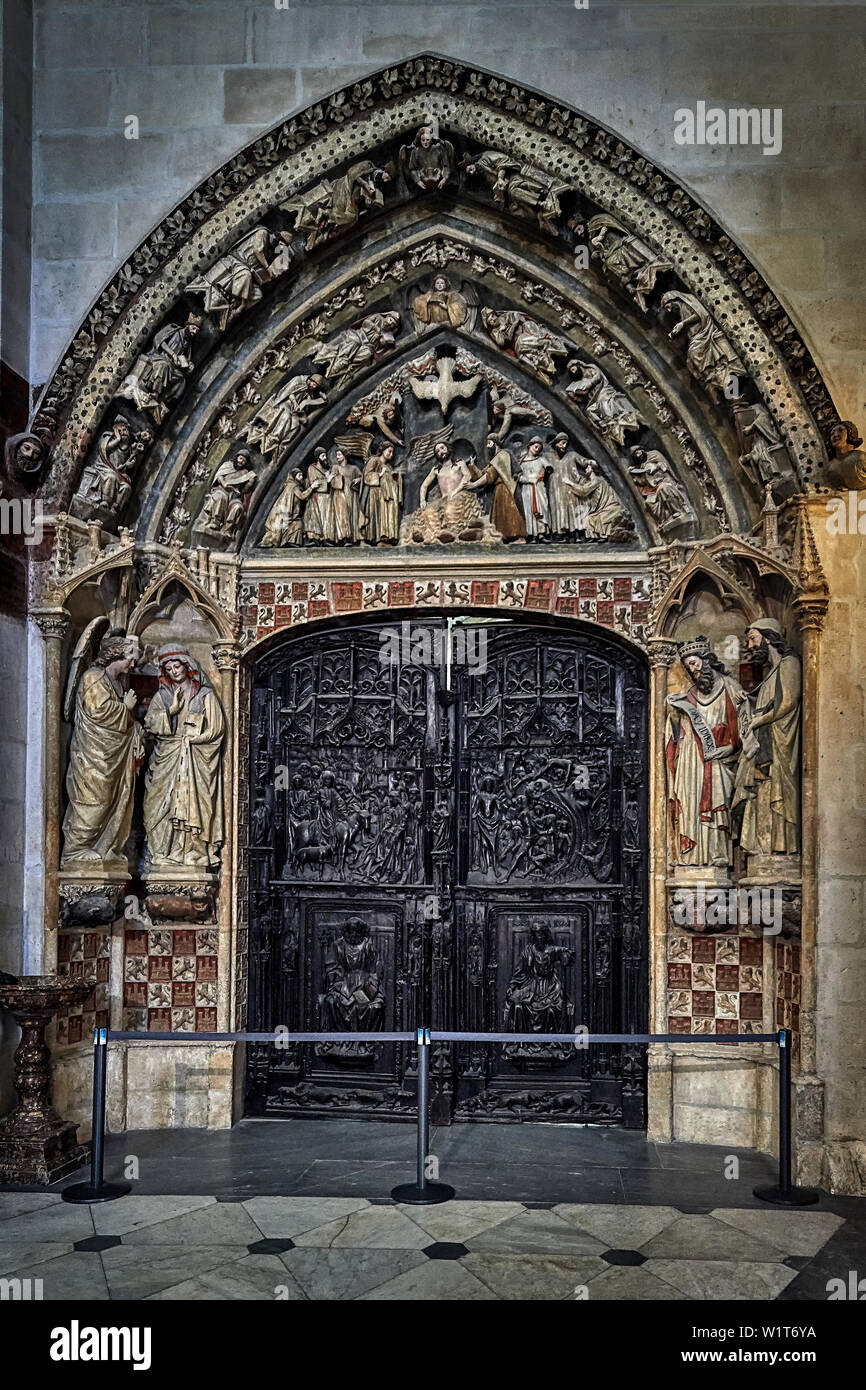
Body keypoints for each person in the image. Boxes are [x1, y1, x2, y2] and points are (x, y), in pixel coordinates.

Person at [62, 632, 143, 867]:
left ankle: (105, 846)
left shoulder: (115, 683)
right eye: (130, 657)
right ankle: (74, 851)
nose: (133, 663)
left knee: (114, 799)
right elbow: (98, 712)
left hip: (113, 755)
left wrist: (134, 726)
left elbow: (122, 719)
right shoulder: (93, 678)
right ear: (115, 655)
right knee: (94, 799)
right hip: (93, 755)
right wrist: (124, 708)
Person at [665, 636, 746, 867]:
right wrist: (673, 718)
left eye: (695, 662)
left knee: (718, 803)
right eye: (689, 665)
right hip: (692, 759)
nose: (693, 669)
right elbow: (678, 731)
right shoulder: (689, 696)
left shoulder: (730, 687)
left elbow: (743, 725)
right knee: (690, 801)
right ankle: (693, 857)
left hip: (720, 758)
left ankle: (717, 856)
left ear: (706, 659)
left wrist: (729, 746)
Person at [143, 646, 225, 870]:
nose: (173, 671)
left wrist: (195, 741)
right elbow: (149, 724)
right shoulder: (163, 696)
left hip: (195, 758)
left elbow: (217, 730)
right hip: (166, 757)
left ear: (187, 666)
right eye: (168, 669)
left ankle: (193, 852)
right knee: (156, 806)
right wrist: (172, 710)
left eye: (176, 666)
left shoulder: (204, 696)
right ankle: (163, 852)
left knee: (194, 804)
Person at [732, 619, 801, 855]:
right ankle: (765, 848)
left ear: (769, 637)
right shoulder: (772, 672)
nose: (750, 646)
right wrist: (749, 700)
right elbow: (768, 703)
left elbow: (788, 702)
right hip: (765, 744)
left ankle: (780, 847)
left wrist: (759, 720)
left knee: (775, 795)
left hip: (779, 745)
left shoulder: (789, 664)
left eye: (753, 638)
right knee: (760, 795)